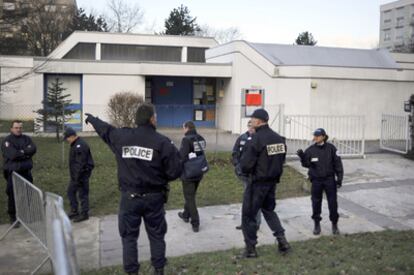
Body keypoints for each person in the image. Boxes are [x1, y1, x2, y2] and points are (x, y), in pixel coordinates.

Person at [85, 103, 182, 275]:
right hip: (154, 198)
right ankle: (158, 270)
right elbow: (175, 171)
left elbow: (106, 131)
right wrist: (160, 176)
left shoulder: (122, 137)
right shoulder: (162, 142)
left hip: (129, 199)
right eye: (156, 117)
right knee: (156, 235)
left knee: (129, 238)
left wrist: (93, 119)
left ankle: (132, 272)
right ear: (152, 119)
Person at [239, 109, 290, 258]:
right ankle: (283, 242)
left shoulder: (256, 139)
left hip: (257, 183)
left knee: (248, 215)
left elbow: (246, 165)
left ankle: (250, 249)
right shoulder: (279, 138)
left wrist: (243, 169)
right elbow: (281, 159)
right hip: (272, 183)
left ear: (259, 121)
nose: (251, 121)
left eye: (253, 119)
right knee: (269, 211)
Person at [297, 128, 344, 235]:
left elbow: (338, 164)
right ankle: (317, 224)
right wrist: (302, 157)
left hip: (329, 180)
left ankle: (334, 224)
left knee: (332, 203)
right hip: (316, 180)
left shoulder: (331, 148)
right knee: (316, 202)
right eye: (314, 136)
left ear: (323, 136)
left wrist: (339, 179)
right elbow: (306, 164)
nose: (315, 138)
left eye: (317, 136)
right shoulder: (310, 150)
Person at [1, 120, 36, 227]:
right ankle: (13, 217)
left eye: (20, 127)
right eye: (16, 127)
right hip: (13, 173)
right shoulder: (7, 141)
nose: (18, 129)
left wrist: (21, 153)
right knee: (13, 194)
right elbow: (12, 155)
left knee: (27, 193)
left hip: (26, 171)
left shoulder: (27, 138)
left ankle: (25, 215)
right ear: (11, 129)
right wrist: (25, 153)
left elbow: (33, 149)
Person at [177, 121, 206, 233]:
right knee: (191, 195)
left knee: (190, 197)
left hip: (189, 172)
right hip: (199, 171)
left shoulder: (186, 139)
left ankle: (195, 222)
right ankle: (185, 214)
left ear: (187, 128)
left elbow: (182, 156)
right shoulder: (201, 138)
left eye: (183, 128)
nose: (183, 130)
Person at [232, 120, 261, 230]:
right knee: (247, 199)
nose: (251, 129)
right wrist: (237, 165)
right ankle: (245, 223)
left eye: (252, 127)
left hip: (256, 175)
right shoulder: (242, 138)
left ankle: (256, 223)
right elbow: (235, 153)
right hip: (244, 174)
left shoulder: (259, 139)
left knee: (255, 199)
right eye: (249, 126)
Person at [63, 127, 94, 223]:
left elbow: (80, 163)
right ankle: (74, 211)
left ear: (72, 136)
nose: (67, 140)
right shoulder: (75, 144)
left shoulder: (80, 146)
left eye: (67, 138)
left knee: (83, 194)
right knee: (70, 192)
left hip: (81, 175)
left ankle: (84, 214)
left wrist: (77, 177)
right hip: (76, 175)